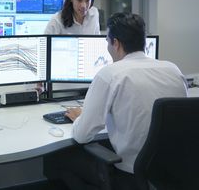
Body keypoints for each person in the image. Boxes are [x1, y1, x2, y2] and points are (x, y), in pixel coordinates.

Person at [44, 12, 188, 190]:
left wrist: (80, 118)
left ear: (116, 43)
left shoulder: (110, 74)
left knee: (55, 159)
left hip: (132, 174)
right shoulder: (173, 70)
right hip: (173, 172)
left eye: (107, 41)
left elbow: (82, 136)